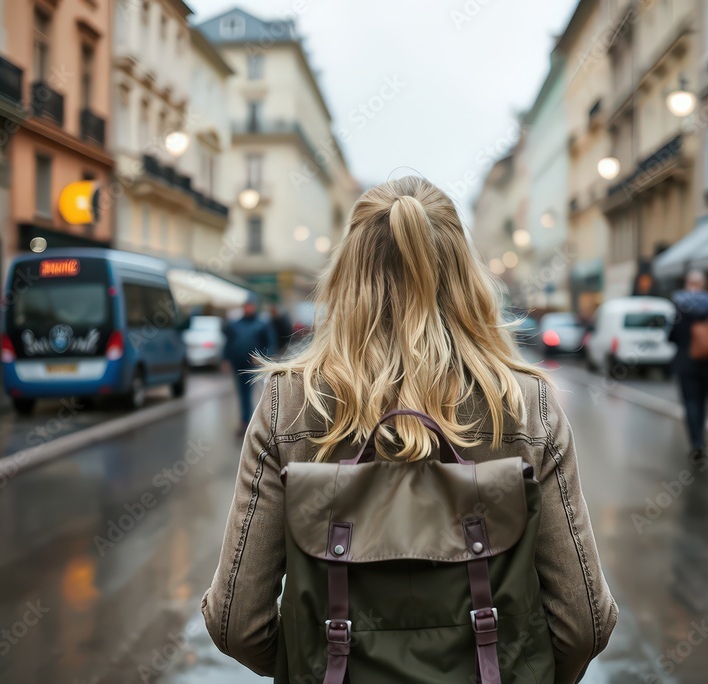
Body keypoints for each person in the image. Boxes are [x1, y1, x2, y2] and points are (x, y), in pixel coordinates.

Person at [202, 176, 617, 682]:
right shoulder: (526, 403)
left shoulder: (289, 402)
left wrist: (311, 659)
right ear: (464, 274)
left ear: (346, 277)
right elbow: (584, 624)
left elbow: (238, 622)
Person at [668, 270, 708, 457]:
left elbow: (672, 334)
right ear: (703, 284)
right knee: (702, 401)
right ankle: (701, 438)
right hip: (707, 363)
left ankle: (696, 442)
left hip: (686, 363)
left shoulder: (680, 305)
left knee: (690, 402)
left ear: (688, 284)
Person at [223, 296, 276, 436]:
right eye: (246, 306)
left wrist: (262, 358)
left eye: (250, 306)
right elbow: (228, 343)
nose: (248, 308)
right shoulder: (235, 325)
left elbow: (270, 344)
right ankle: (245, 421)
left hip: (254, 365)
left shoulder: (261, 325)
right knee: (243, 394)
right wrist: (226, 359)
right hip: (238, 363)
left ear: (255, 307)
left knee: (257, 393)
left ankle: (259, 423)